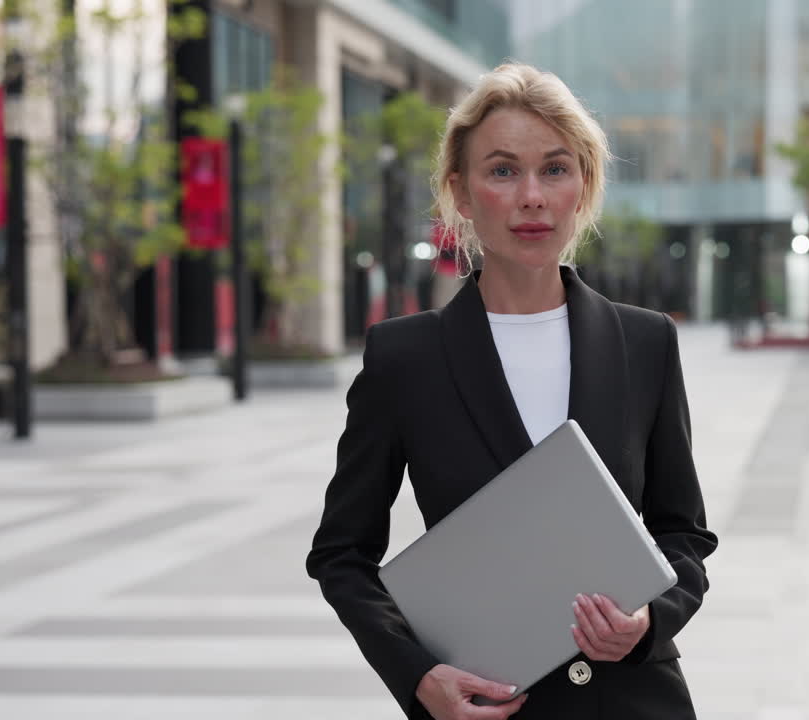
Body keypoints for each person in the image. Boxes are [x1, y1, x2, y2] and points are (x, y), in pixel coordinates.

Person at [306, 62, 718, 720]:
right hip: (486, 709)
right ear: (461, 194)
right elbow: (342, 552)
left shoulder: (644, 344)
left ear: (582, 187)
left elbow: (682, 533)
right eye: (502, 170)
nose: (531, 195)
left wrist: (650, 619)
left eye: (555, 169)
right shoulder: (404, 358)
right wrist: (416, 676)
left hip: (634, 703)